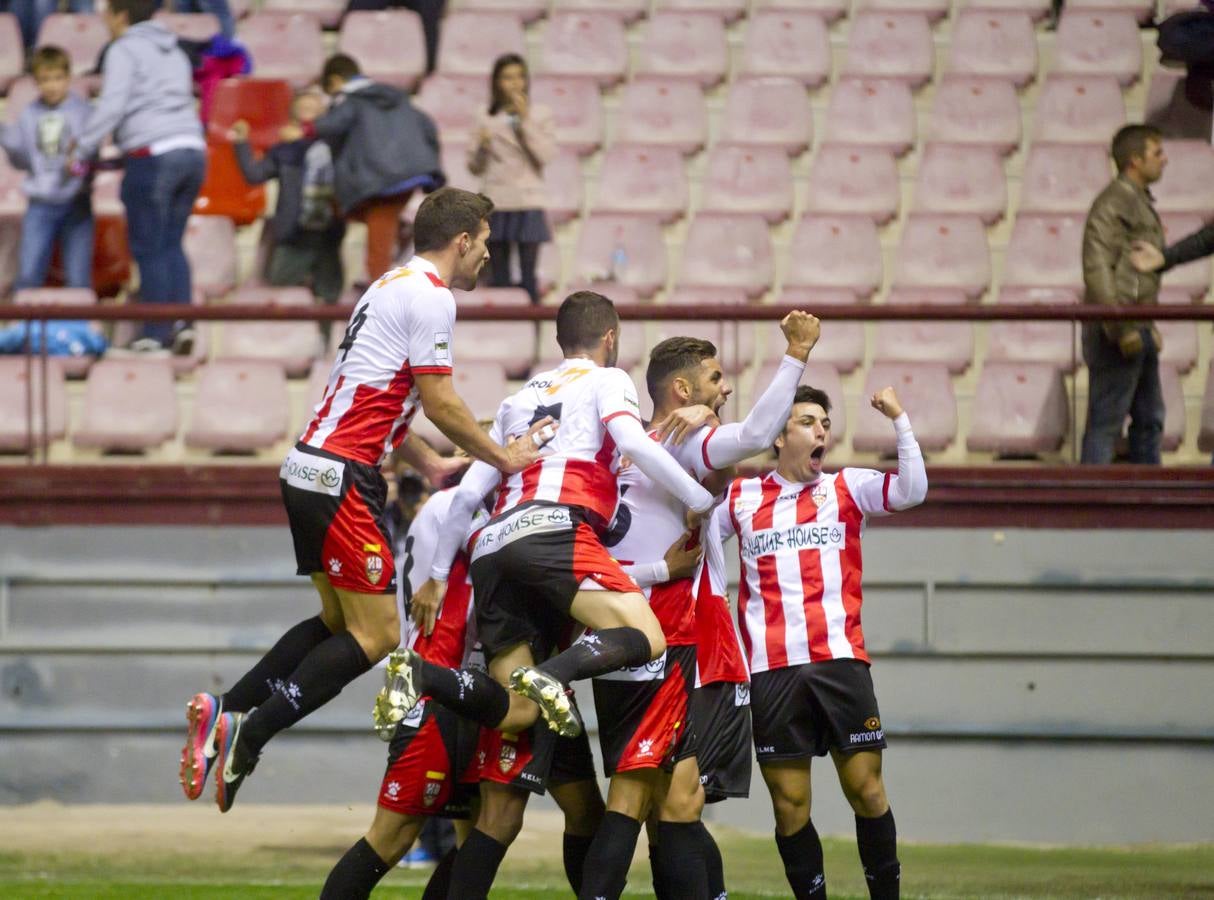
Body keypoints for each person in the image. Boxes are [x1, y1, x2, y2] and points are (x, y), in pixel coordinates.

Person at [178, 188, 552, 813]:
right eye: (484, 243)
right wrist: (502, 456)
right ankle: (252, 733)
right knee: (378, 635)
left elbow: (380, 396)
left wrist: (432, 463)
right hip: (342, 477)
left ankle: (230, 707)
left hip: (306, 465)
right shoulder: (432, 297)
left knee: (335, 624)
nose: (488, 255)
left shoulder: (387, 286)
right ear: (462, 241)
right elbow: (441, 400)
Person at [380, 290, 717, 897]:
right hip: (554, 530)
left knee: (517, 711)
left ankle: (423, 677)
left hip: (492, 546)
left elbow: (466, 497)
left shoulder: (517, 400)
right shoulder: (608, 380)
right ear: (610, 337)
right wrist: (699, 499)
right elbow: (634, 445)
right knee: (646, 636)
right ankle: (553, 675)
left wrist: (434, 574)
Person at [582, 315, 821, 900]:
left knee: (664, 796)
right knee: (652, 799)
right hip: (676, 637)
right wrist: (795, 353)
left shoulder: (614, 446)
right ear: (682, 390)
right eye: (715, 380)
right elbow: (762, 431)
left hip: (615, 628)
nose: (726, 388)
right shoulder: (689, 441)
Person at [715, 384, 927, 900]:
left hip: (839, 662)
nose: (821, 431)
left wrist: (899, 420)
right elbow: (699, 553)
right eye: (809, 421)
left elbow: (911, 492)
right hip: (770, 670)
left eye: (825, 424)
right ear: (779, 434)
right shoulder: (740, 498)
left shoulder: (847, 487)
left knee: (867, 789)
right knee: (789, 805)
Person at [71, 0, 206, 354]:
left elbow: (112, 105)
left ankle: (155, 333)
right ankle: (182, 324)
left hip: (154, 154)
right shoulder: (174, 49)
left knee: (149, 246)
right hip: (192, 149)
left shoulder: (124, 48)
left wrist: (82, 148)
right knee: (171, 243)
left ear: (120, 15)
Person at [301, 53, 443, 285]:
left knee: (378, 229)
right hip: (408, 175)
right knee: (354, 211)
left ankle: (377, 285)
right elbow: (428, 126)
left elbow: (334, 124)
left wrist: (306, 129)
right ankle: (403, 231)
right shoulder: (397, 97)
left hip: (379, 179)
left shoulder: (350, 100)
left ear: (335, 81)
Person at [1080, 124, 1169, 465]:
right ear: (1134, 161)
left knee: (1149, 419)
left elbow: (1132, 271)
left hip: (1135, 325)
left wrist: (1145, 323)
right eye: (1156, 153)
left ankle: (1149, 502)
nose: (1164, 160)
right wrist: (1122, 327)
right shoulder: (1113, 204)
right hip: (1116, 331)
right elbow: (1098, 268)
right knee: (1107, 423)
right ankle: (1091, 506)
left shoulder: (1134, 202)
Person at [231, 90, 345, 304]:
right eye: (302, 110)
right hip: (294, 233)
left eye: (313, 110)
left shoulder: (337, 147)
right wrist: (241, 143)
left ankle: (329, 336)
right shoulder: (284, 151)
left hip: (328, 234)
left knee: (331, 299)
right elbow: (254, 175)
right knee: (282, 287)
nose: (307, 115)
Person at [0, 45, 93, 293]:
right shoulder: (29, 113)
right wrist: (8, 139)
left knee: (78, 279)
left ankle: (80, 331)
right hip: (40, 203)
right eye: (44, 80)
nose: (52, 86)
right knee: (29, 274)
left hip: (77, 202)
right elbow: (22, 160)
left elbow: (91, 155)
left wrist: (78, 165)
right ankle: (24, 331)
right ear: (35, 82)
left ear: (68, 77)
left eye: (57, 78)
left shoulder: (83, 111)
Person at [468, 54, 555, 305]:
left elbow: (545, 155)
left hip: (527, 200)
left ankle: (534, 330)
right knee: (499, 277)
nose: (515, 83)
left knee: (529, 275)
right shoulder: (484, 115)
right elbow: (474, 167)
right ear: (496, 82)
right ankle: (507, 332)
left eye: (519, 77)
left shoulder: (539, 114)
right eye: (507, 77)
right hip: (497, 200)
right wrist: (482, 147)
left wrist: (524, 122)